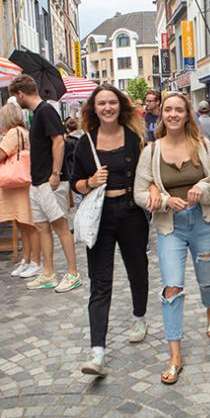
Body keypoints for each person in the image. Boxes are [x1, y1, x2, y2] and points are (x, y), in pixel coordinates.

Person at [134, 91, 210, 385]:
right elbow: (139, 193)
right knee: (172, 287)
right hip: (170, 228)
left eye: (179, 110)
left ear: (187, 115)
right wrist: (163, 201)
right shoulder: (151, 151)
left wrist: (202, 188)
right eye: (168, 109)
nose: (173, 114)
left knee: (207, 279)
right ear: (162, 114)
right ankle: (175, 356)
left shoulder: (202, 145)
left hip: (203, 222)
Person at [71, 84, 150, 377]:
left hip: (131, 214)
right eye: (101, 103)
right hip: (100, 218)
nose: (107, 108)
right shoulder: (84, 143)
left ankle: (139, 317)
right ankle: (97, 352)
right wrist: (90, 182)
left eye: (112, 102)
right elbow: (75, 184)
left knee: (137, 270)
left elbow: (148, 175)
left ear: (121, 106)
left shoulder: (135, 139)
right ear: (93, 109)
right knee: (100, 281)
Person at [9, 74, 81, 293]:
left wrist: (55, 173)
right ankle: (48, 273)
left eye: (16, 97)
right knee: (41, 226)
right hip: (38, 180)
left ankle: (72, 273)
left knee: (60, 226)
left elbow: (58, 141)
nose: (17, 101)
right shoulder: (38, 113)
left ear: (21, 93)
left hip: (50, 180)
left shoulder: (46, 111)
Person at [0, 103, 42, 279]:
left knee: (27, 224)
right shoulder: (23, 131)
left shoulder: (13, 133)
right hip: (21, 181)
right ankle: (28, 260)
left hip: (17, 184)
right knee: (23, 223)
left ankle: (34, 261)